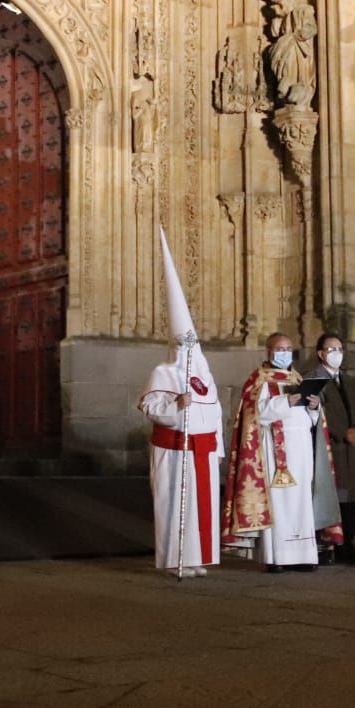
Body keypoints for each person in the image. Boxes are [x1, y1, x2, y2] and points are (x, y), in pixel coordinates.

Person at [138, 229, 222, 577]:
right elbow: (149, 407)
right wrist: (176, 406)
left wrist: (218, 450)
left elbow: (215, 411)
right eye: (184, 344)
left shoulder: (205, 373)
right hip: (174, 450)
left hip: (202, 450)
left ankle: (198, 557)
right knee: (176, 504)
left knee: (203, 507)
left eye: (193, 344)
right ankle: (176, 559)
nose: (190, 351)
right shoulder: (163, 371)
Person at [223, 333, 343, 572]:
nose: (284, 353)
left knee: (302, 501)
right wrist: (286, 402)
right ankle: (277, 557)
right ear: (269, 351)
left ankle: (303, 555)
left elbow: (311, 421)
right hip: (273, 449)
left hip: (301, 448)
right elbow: (254, 413)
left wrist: (314, 407)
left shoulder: (297, 377)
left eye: (288, 348)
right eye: (280, 348)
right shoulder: (259, 379)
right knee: (279, 502)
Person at [306, 333, 355, 564]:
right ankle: (328, 547)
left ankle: (348, 546)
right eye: (331, 350)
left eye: (340, 349)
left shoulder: (349, 380)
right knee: (335, 497)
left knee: (351, 500)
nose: (337, 354)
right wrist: (340, 432)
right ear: (321, 354)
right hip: (332, 448)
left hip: (352, 447)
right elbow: (317, 413)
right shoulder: (313, 379)